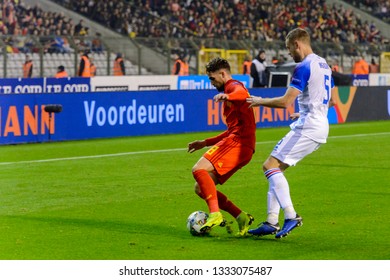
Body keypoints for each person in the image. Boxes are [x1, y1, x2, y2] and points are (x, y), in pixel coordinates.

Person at [246, 28, 335, 239]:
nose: (288, 53)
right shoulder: (324, 64)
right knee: (276, 171)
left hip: (310, 126)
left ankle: (292, 216)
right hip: (318, 123)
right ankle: (271, 221)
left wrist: (259, 101)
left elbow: (285, 101)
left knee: (269, 166)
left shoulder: (303, 66)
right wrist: (304, 111)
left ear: (297, 44)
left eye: (288, 48)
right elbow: (330, 100)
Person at [187, 57, 256, 236]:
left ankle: (215, 214)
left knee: (198, 170)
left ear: (222, 73)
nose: (211, 82)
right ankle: (241, 216)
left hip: (239, 143)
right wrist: (204, 143)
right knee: (200, 187)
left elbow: (242, 93)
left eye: (212, 78)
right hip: (242, 145)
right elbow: (229, 131)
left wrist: (228, 95)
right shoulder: (230, 90)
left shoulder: (233, 86)